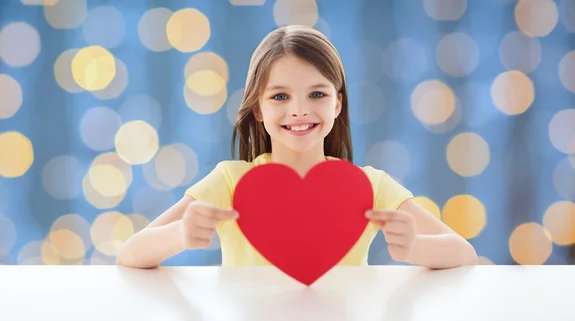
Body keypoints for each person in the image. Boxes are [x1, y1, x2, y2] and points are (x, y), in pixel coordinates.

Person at [116, 25, 478, 270]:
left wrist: (414, 246)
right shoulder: (230, 181)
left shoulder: (370, 186)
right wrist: (179, 235)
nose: (299, 110)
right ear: (258, 107)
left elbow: (463, 254)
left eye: (317, 94)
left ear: (337, 103)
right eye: (280, 96)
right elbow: (130, 255)